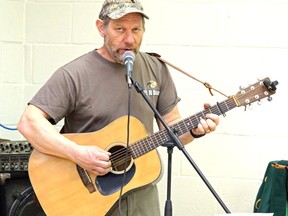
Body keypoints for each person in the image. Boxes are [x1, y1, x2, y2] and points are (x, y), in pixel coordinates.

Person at [17, 0, 219, 215]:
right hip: (89, 198)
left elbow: (171, 129)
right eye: (120, 29)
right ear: (101, 28)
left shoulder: (157, 69)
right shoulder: (74, 74)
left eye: (136, 29)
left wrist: (195, 131)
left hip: (141, 194)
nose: (129, 39)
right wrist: (78, 153)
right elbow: (29, 123)